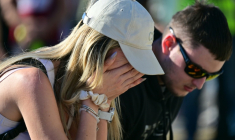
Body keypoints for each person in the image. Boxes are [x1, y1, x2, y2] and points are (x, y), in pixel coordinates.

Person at [0, 0, 164, 140]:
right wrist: (91, 102)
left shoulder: (87, 87)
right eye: (132, 58)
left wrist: (101, 102)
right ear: (98, 46)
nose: (135, 70)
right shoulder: (32, 81)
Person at [119, 1, 233, 140]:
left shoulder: (174, 82)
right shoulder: (122, 80)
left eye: (210, 76)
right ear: (169, 44)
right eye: (195, 70)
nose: (199, 84)